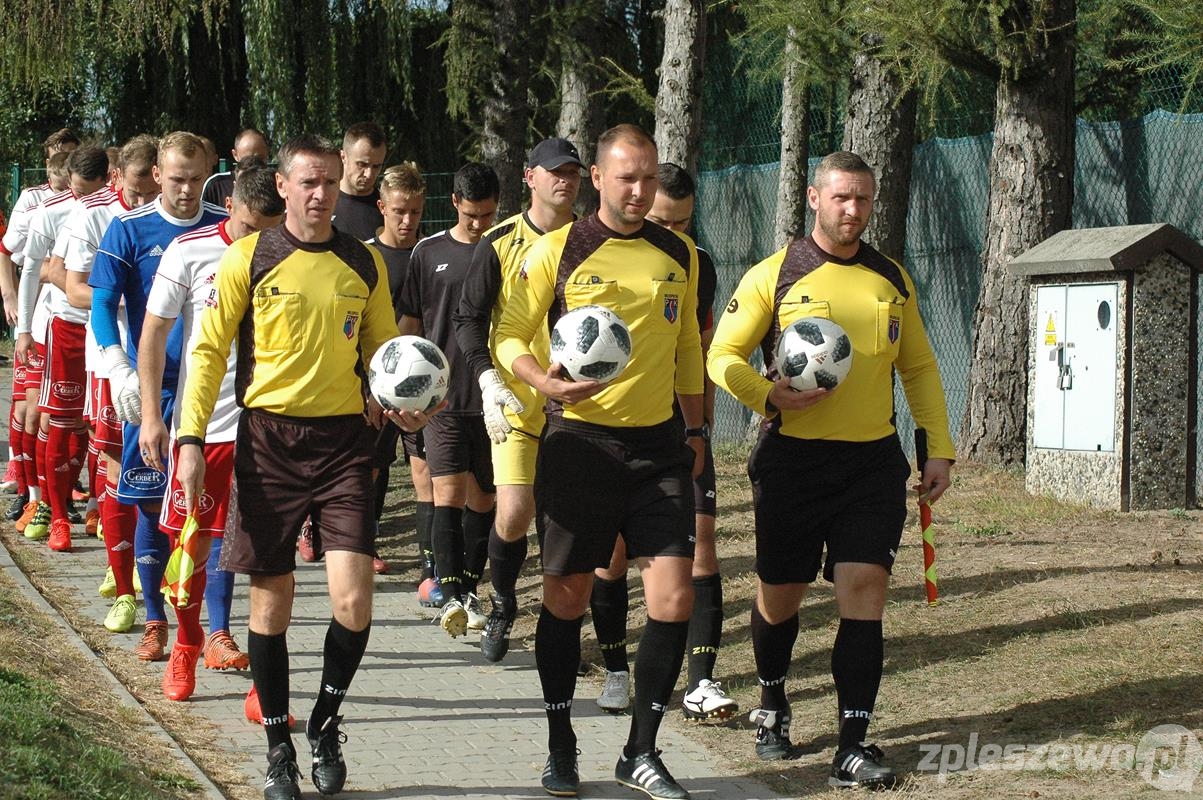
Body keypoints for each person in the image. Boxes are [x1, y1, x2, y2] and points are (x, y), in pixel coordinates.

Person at [174, 134, 430, 800]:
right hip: (267, 444)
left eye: (329, 183)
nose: (319, 195)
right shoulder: (249, 258)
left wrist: (399, 399)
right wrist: (191, 439)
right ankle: (279, 750)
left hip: (345, 444)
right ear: (283, 187)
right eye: (307, 183)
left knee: (352, 600)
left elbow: (381, 351)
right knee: (273, 604)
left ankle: (325, 718)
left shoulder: (362, 262)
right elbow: (206, 354)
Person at [707, 150, 955, 789]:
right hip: (792, 461)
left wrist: (938, 447)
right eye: (842, 197)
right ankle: (773, 702)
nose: (854, 211)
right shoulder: (775, 273)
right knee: (779, 593)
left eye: (864, 199)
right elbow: (723, 356)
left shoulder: (891, 278)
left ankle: (853, 741)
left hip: (872, 462)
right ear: (814, 198)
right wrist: (769, 396)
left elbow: (919, 366)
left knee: (864, 590)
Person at [494, 123, 704, 800]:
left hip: (657, 449)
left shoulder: (679, 255)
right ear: (596, 178)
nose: (639, 190)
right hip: (579, 446)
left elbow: (687, 352)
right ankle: (561, 742)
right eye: (626, 177)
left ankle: (640, 751)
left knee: (672, 598)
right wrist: (543, 382)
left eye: (647, 177)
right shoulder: (558, 251)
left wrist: (696, 429)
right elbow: (506, 335)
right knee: (566, 597)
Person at [587, 162, 735, 722]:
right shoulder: (596, 253)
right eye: (662, 222)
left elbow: (699, 349)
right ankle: (616, 670)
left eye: (684, 224)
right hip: (610, 429)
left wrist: (702, 430)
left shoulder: (697, 265)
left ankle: (701, 681)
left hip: (680, 431)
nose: (673, 235)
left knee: (701, 545)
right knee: (613, 555)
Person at [136, 164, 285, 701]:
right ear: (232, 208)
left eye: (269, 230)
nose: (257, 242)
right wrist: (154, 416)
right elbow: (154, 333)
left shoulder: (299, 255)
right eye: (249, 229)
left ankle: (265, 684)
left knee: (268, 556)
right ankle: (187, 645)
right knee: (191, 546)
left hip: (274, 430)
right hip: (205, 428)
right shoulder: (191, 251)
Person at [90, 131, 227, 662]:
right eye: (176, 179)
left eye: (196, 178)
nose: (187, 189)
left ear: (209, 172)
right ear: (156, 175)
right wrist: (118, 367)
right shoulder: (127, 228)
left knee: (210, 509)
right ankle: (154, 619)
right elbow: (103, 306)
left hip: (211, 390)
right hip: (149, 390)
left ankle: (217, 632)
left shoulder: (224, 226)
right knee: (150, 505)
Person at [452, 136, 584, 662]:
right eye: (554, 172)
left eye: (573, 173)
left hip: (577, 402)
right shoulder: (501, 240)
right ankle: (503, 600)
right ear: (530, 177)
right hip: (515, 400)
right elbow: (469, 319)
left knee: (564, 521)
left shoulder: (595, 239)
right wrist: (487, 378)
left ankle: (559, 625)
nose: (564, 181)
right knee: (512, 513)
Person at [397, 162, 499, 637]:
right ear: (455, 203)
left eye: (488, 214)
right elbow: (411, 324)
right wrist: (402, 387)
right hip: (442, 400)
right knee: (447, 495)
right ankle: (450, 592)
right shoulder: (428, 251)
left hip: (495, 397)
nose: (479, 224)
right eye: (472, 214)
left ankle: (472, 588)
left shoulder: (504, 249)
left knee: (485, 498)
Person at [63, 134, 161, 627]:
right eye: (138, 185)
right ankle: (122, 578)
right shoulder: (95, 216)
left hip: (170, 366)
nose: (147, 196)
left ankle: (157, 571)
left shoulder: (180, 220)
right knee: (116, 461)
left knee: (168, 463)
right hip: (113, 362)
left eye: (153, 184)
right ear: (119, 176)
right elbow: (69, 283)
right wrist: (124, 296)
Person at [19, 146, 110, 552]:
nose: (81, 200)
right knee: (58, 418)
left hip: (108, 328)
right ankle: (54, 514)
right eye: (75, 190)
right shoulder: (50, 212)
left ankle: (95, 505)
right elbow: (30, 270)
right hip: (66, 328)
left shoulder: (116, 210)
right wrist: (23, 328)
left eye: (88, 192)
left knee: (99, 423)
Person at [3, 130, 79, 526]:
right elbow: (12, 252)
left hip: (84, 324)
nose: (64, 162)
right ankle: (33, 493)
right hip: (47, 323)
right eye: (58, 156)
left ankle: (68, 496)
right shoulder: (35, 202)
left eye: (71, 155)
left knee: (81, 420)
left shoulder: (100, 206)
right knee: (34, 412)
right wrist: (12, 298)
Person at [358, 162, 427, 577]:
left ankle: (433, 559)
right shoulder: (365, 255)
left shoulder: (431, 251)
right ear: (382, 207)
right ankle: (363, 542)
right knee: (372, 464)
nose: (407, 220)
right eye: (399, 211)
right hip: (376, 382)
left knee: (424, 468)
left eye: (415, 212)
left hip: (424, 384)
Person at [332, 122, 387, 240]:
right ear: (343, 157)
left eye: (376, 166)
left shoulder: (389, 208)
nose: (369, 174)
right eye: (362, 164)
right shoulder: (322, 203)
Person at [202, 128, 271, 207]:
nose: (254, 165)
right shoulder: (217, 186)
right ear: (235, 155)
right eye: (247, 159)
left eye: (260, 159)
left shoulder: (274, 185)